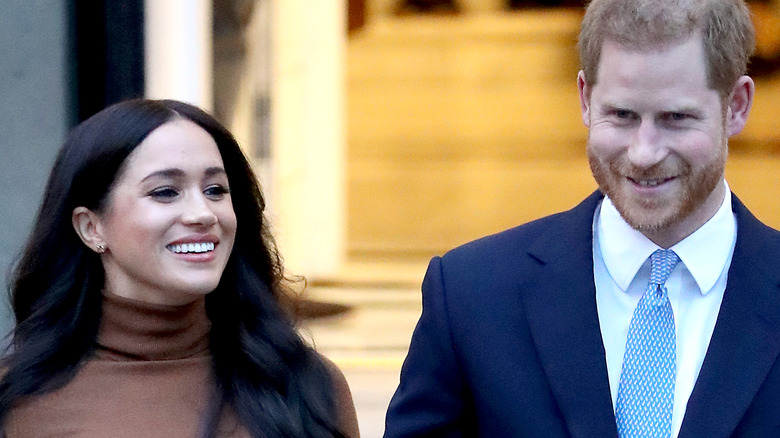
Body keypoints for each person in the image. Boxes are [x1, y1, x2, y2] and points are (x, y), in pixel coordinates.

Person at [384, 0, 780, 436]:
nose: (644, 152)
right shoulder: (471, 297)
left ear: (737, 106)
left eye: (676, 118)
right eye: (622, 116)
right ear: (585, 99)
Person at [0, 99, 360, 437]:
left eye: (216, 190)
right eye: (165, 192)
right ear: (91, 227)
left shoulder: (307, 384)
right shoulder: (16, 399)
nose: (203, 213)